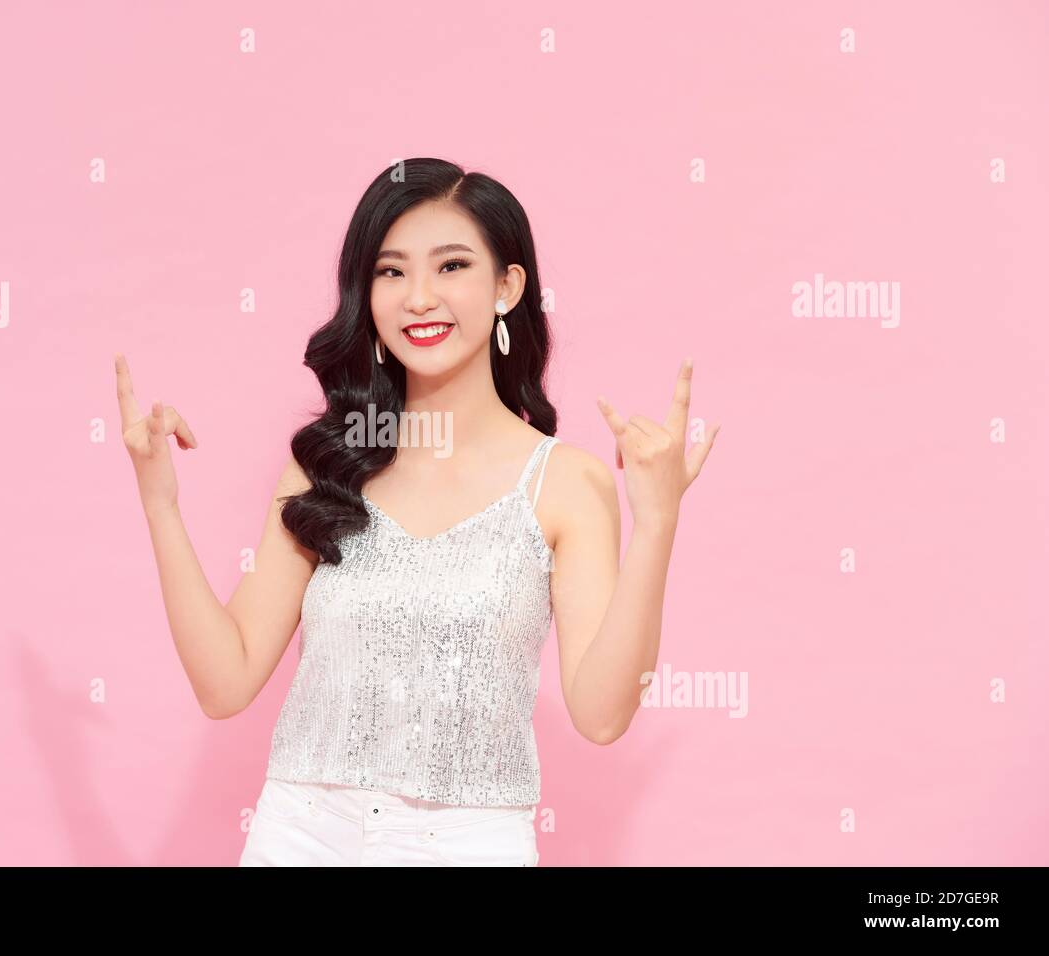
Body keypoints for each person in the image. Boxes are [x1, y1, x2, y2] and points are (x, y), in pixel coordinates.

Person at [113, 158, 720, 866]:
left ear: (507, 286)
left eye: (452, 266)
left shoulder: (565, 482)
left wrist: (659, 522)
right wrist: (160, 502)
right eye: (391, 272)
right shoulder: (329, 465)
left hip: (470, 845)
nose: (419, 297)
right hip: (300, 836)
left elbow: (602, 713)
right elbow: (225, 681)